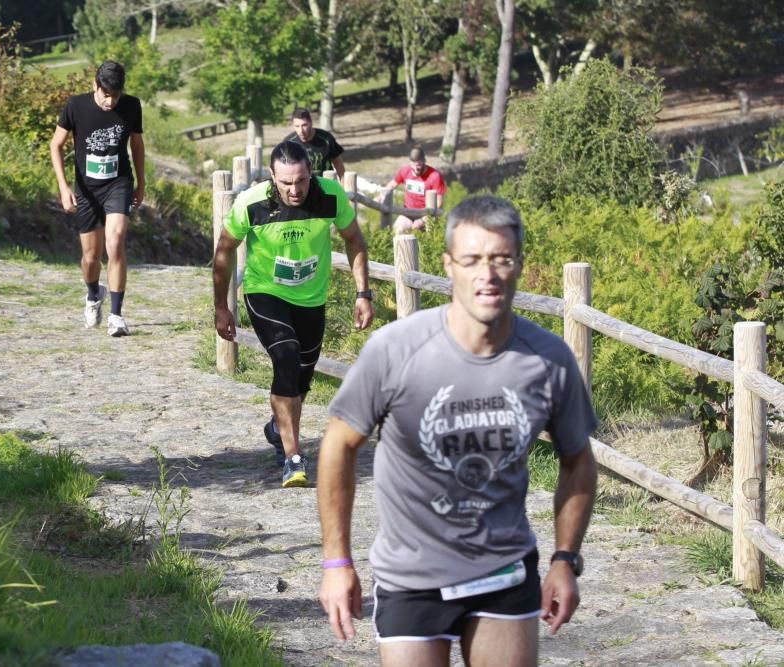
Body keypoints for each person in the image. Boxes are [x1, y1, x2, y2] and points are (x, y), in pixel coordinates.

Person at [317, 195, 598, 666]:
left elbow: (578, 459)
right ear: (449, 265)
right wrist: (336, 562)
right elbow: (337, 446)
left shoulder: (548, 359)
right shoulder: (395, 350)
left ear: (519, 264)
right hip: (411, 575)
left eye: (501, 259)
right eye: (471, 260)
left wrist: (565, 560)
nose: (486, 275)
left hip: (503, 572)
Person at [213, 141, 373, 488]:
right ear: (272, 175)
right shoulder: (251, 202)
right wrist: (221, 307)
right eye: (286, 183)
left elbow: (354, 240)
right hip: (265, 292)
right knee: (285, 357)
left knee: (300, 382)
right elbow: (224, 249)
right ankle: (293, 457)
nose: (295, 189)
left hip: (311, 299)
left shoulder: (329, 196)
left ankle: (277, 427)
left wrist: (363, 293)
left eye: (301, 180)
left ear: (309, 174)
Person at [50, 61, 146, 337]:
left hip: (119, 183)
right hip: (87, 190)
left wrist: (141, 183)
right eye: (105, 94)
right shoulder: (75, 106)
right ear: (95, 86)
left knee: (115, 243)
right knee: (90, 258)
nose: (110, 100)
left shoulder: (131, 106)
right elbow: (55, 145)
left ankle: (116, 315)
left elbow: (137, 145)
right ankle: (94, 293)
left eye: (115, 95)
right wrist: (64, 186)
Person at [382, 147, 447, 233]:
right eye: (414, 166)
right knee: (397, 230)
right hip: (408, 212)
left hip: (426, 214)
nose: (416, 169)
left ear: (424, 162)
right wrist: (381, 196)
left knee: (418, 228)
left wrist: (423, 220)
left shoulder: (435, 176)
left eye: (419, 166)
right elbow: (392, 184)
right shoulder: (405, 171)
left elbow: (439, 203)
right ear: (410, 163)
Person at [283, 108, 346, 180]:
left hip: (326, 184)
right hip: (301, 187)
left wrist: (343, 187)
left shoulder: (326, 139)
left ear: (311, 123)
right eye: (297, 126)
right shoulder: (289, 143)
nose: (301, 130)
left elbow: (339, 164)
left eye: (304, 125)